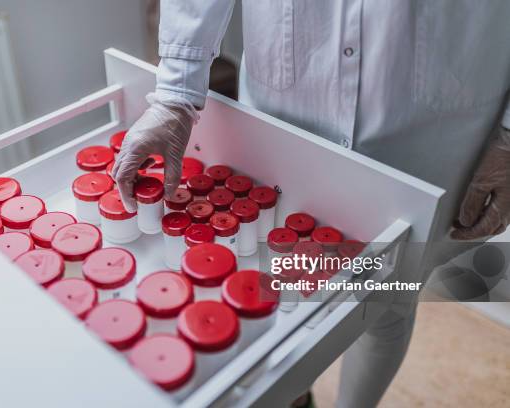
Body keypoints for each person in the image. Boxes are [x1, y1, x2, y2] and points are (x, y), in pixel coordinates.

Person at [112, 1, 510, 407]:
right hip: (288, 106)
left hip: (426, 125)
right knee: (275, 281)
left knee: (389, 299)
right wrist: (176, 92)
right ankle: (293, 395)